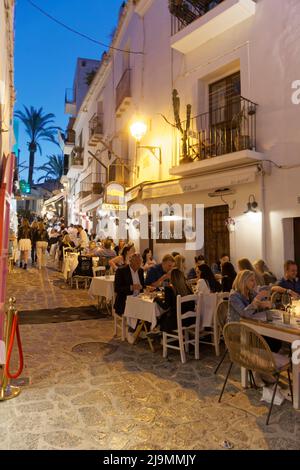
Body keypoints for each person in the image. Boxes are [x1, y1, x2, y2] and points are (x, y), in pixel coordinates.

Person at [228, 270, 282, 383]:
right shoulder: (234, 296)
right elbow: (245, 313)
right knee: (263, 340)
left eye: (254, 280)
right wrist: (257, 300)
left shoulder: (250, 293)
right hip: (237, 330)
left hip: (251, 327)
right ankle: (258, 371)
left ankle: (263, 370)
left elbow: (255, 309)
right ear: (243, 281)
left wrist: (265, 305)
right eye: (252, 280)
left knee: (276, 341)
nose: (254, 283)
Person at [157, 268, 195, 333]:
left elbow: (165, 306)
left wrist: (156, 299)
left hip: (177, 321)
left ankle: (159, 333)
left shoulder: (169, 289)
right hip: (190, 320)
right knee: (164, 316)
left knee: (161, 318)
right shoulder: (188, 288)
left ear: (171, 278)